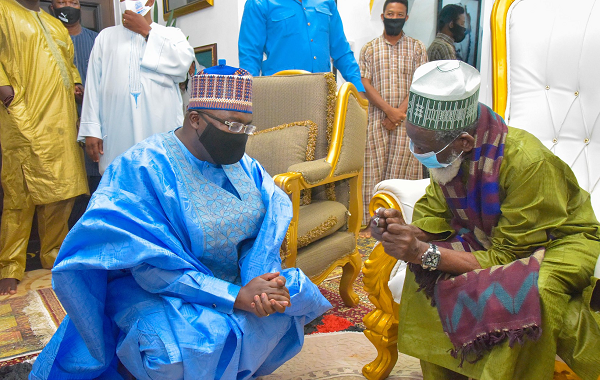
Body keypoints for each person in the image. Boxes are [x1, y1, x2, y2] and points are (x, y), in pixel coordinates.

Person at [29, 62, 331, 380]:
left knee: (288, 301)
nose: (241, 137)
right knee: (180, 349)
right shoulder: (142, 167)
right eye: (232, 124)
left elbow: (260, 236)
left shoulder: (246, 167)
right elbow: (147, 266)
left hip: (238, 281)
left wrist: (258, 288)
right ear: (195, 119)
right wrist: (233, 297)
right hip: (158, 287)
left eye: (247, 126)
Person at [370, 60, 600, 379]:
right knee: (424, 273)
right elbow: (433, 220)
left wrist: (424, 253)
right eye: (413, 141)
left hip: (559, 241)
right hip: (490, 237)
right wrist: (401, 229)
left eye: (423, 146)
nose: (416, 151)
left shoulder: (527, 164)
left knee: (533, 293)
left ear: (464, 142)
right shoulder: (451, 158)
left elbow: (508, 257)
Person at [0, 0, 87, 295]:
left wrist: (75, 82)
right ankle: (9, 266)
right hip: (24, 111)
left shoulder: (53, 23)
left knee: (61, 190)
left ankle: (53, 256)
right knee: (19, 192)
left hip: (61, 115)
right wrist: (3, 87)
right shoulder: (3, 9)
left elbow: (70, 63)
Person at [80, 0, 194, 174]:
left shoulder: (172, 34)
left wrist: (146, 32)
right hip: (116, 129)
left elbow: (182, 67)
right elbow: (93, 86)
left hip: (160, 125)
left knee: (162, 176)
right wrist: (91, 130)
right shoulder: (105, 36)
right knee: (119, 178)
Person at [359, 0, 427, 226]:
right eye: (390, 13)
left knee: (402, 173)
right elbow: (365, 83)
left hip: (407, 121)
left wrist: (399, 113)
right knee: (372, 171)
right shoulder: (369, 48)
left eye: (399, 15)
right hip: (377, 119)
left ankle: (403, 223)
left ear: (406, 18)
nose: (394, 18)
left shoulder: (417, 48)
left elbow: (421, 83)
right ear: (382, 16)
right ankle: (372, 223)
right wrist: (389, 111)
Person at [49, 0, 102, 226]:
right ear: (52, 7)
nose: (68, 6)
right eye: (61, 1)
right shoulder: (47, 39)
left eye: (73, 2)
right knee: (64, 185)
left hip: (94, 123)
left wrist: (88, 95)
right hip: (57, 122)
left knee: (94, 182)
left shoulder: (96, 41)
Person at [238, 0, 365, 92]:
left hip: (323, 95)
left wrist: (358, 88)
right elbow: (250, 56)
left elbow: (341, 50)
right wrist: (248, 97)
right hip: (280, 95)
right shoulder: (259, 3)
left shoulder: (327, 2)